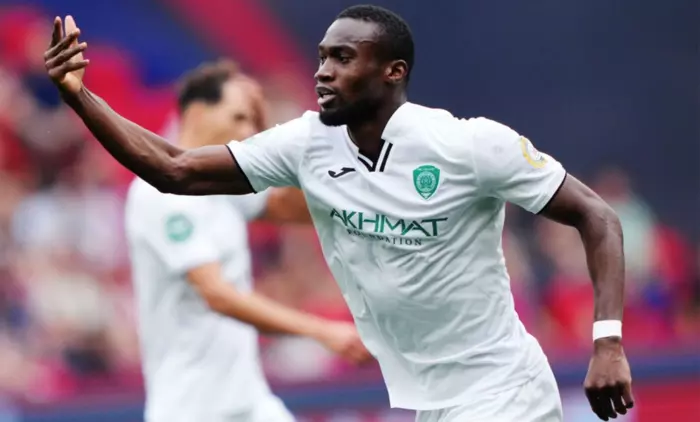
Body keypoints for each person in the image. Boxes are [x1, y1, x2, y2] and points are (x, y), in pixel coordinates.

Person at [44, 6, 634, 422]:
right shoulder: (307, 145)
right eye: (322, 57)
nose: (323, 71)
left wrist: (607, 341)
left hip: (503, 389)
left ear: (392, 71)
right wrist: (79, 96)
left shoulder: (469, 145)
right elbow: (174, 169)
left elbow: (598, 216)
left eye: (343, 58)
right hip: (431, 402)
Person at [124, 59, 371, 422]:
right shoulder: (160, 193)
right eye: (239, 117)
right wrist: (321, 330)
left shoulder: (220, 181)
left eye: (252, 120)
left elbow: (296, 209)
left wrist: (274, 137)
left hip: (249, 402)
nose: (247, 130)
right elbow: (217, 294)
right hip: (191, 410)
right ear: (196, 114)